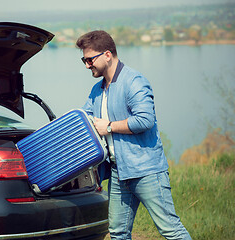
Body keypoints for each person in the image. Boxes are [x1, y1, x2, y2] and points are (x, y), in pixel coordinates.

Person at [76, 30, 191, 240]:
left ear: (107, 55)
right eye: (84, 60)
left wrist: (109, 126)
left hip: (146, 171)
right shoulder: (97, 90)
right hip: (119, 173)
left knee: (170, 230)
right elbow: (84, 119)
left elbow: (145, 120)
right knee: (118, 233)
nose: (86, 65)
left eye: (90, 59)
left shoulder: (134, 81)